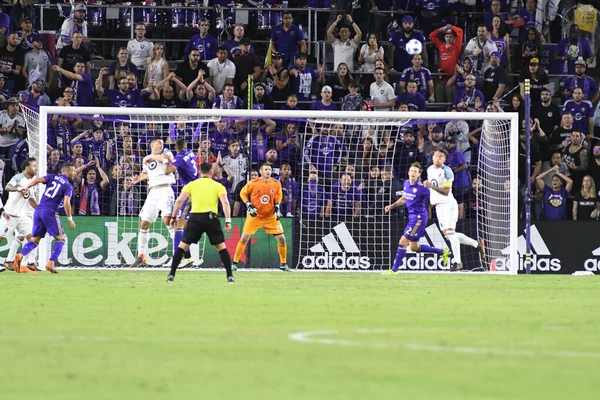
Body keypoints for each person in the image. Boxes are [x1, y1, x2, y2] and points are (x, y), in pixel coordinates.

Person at [166, 162, 234, 283]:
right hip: (211, 218)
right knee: (221, 248)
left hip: (195, 218)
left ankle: (171, 275)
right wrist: (228, 220)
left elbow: (179, 201)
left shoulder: (191, 185)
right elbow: (225, 203)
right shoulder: (218, 186)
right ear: (211, 173)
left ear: (199, 171)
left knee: (182, 247)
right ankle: (230, 276)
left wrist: (173, 216)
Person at [383, 162, 451, 274]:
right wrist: (391, 206)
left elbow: (436, 196)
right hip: (412, 217)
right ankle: (443, 252)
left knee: (403, 240)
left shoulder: (422, 188)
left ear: (419, 174)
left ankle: (394, 270)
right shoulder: (405, 184)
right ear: (408, 172)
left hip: (419, 218)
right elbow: (404, 198)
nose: (413, 173)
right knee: (414, 247)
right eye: (411, 171)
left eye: (415, 171)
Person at [425, 149, 485, 271]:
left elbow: (446, 192)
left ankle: (458, 262)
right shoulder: (429, 169)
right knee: (448, 236)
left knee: (451, 234)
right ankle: (477, 244)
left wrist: (430, 186)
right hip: (438, 206)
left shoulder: (448, 172)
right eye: (436, 156)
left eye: (441, 156)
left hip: (448, 205)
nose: (437, 158)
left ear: (444, 159)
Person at [14, 163, 76, 274]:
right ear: (66, 172)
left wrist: (27, 187)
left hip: (39, 210)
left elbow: (37, 180)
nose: (75, 174)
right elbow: (67, 202)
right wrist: (70, 219)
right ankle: (51, 263)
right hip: (50, 211)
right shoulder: (67, 185)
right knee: (60, 239)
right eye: (73, 171)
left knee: (35, 240)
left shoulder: (52, 177)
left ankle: (20, 255)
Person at [128, 138, 176, 268]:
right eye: (159, 143)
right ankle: (141, 255)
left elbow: (169, 159)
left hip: (166, 189)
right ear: (152, 144)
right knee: (144, 223)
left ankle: (179, 254)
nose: (162, 145)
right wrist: (138, 178)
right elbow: (146, 173)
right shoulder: (148, 161)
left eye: (162, 143)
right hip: (153, 192)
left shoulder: (167, 153)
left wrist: (150, 156)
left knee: (167, 220)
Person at [232, 163, 288, 271]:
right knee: (244, 238)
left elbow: (279, 194)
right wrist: (248, 204)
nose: (268, 171)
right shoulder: (253, 183)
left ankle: (283, 264)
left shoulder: (276, 183)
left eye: (270, 169)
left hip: (270, 216)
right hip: (255, 216)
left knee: (282, 239)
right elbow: (242, 193)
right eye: (266, 169)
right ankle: (234, 263)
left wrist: (277, 206)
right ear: (260, 172)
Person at [164, 139, 199, 269]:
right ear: (186, 146)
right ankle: (187, 257)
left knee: (177, 224)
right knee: (184, 226)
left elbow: (167, 170)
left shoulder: (179, 158)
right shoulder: (191, 153)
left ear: (175, 147)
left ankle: (176, 259)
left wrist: (166, 159)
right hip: (195, 189)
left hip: (190, 191)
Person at [0, 158, 39, 272]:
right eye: (33, 166)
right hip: (9, 214)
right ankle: (11, 261)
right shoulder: (18, 178)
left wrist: (42, 210)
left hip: (21, 216)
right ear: (26, 167)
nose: (36, 168)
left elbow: (31, 200)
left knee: (33, 237)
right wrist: (19, 188)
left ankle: (22, 263)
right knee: (1, 237)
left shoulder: (33, 182)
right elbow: (8, 187)